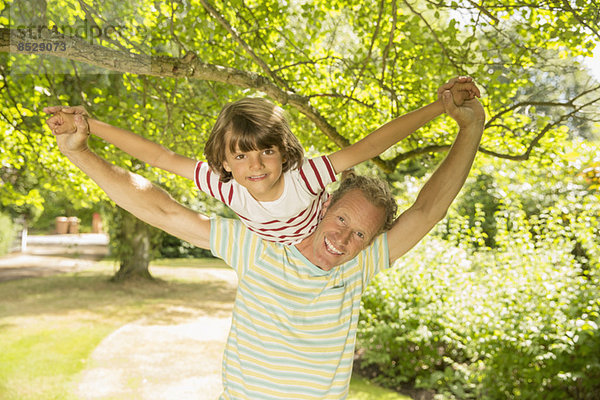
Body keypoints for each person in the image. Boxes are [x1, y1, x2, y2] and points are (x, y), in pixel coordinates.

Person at [47, 82, 485, 399]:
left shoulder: (359, 266)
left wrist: (469, 127)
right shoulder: (254, 247)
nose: (343, 238)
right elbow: (157, 206)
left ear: (370, 243)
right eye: (342, 220)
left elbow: (429, 208)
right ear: (324, 204)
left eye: (360, 235)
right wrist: (81, 150)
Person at [44, 77, 480, 244]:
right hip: (271, 255)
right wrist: (89, 124)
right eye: (241, 154)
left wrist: (438, 108)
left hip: (317, 247)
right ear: (225, 161)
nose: (256, 165)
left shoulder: (305, 177)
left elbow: (368, 147)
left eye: (267, 150)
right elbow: (158, 156)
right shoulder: (223, 184)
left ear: (283, 152)